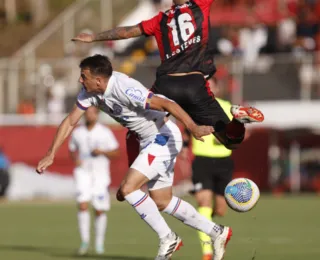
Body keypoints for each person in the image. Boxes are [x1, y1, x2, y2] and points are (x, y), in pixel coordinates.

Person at [36, 55, 231, 260]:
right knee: (162, 201)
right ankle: (217, 232)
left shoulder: (124, 87)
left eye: (83, 76)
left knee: (129, 189)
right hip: (148, 141)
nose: (79, 81)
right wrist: (51, 154)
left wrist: (193, 128)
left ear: (99, 80)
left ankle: (168, 238)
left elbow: (167, 104)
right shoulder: (89, 93)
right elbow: (69, 122)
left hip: (162, 136)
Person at [72, 0, 264, 152]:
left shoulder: (160, 19)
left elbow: (126, 32)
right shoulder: (201, 4)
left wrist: (94, 37)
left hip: (166, 84)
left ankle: (136, 180)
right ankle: (238, 121)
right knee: (231, 142)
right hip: (194, 83)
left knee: (136, 128)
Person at [181, 78, 235, 260]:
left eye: (213, 85)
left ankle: (206, 223)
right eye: (206, 86)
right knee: (204, 202)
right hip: (202, 161)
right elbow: (185, 129)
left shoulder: (228, 107)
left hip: (223, 162)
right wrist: (184, 145)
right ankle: (207, 253)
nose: (210, 88)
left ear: (218, 88)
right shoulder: (195, 107)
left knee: (220, 209)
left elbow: (239, 131)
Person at [69, 106, 120, 255]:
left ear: (97, 115)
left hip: (100, 174)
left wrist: (102, 152)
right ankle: (84, 241)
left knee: (99, 208)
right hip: (83, 173)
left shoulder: (105, 132)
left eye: (93, 112)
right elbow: (72, 149)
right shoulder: (78, 132)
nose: (90, 115)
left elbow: (116, 152)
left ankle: (99, 243)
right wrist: (76, 160)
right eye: (88, 112)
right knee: (83, 204)